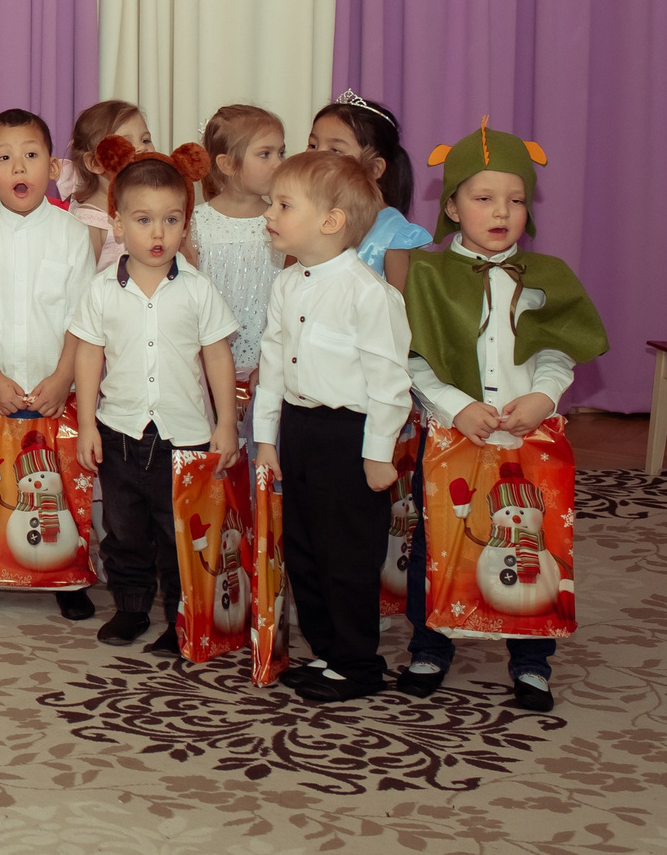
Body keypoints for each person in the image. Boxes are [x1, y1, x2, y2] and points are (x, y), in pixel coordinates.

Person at [396, 123, 607, 713]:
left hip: (526, 437)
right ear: (454, 205)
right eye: (484, 198)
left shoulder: (547, 277)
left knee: (532, 545)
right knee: (438, 541)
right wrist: (456, 406)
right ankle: (429, 645)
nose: (501, 212)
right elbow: (413, 358)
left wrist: (543, 397)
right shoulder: (427, 278)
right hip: (451, 438)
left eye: (515, 200)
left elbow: (556, 351)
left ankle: (532, 659)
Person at [253, 150, 412, 704]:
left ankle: (358, 664)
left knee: (346, 554)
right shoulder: (288, 284)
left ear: (331, 221)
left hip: (349, 438)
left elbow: (390, 382)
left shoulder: (369, 294)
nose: (269, 212)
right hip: (299, 430)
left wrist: (377, 453)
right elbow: (273, 363)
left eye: (283, 204)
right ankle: (327, 653)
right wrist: (268, 439)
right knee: (304, 550)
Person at [69, 139, 238, 655]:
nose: (157, 233)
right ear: (118, 224)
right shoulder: (101, 289)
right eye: (143, 220)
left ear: (186, 224)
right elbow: (88, 358)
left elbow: (217, 357)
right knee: (124, 532)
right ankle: (131, 608)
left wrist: (226, 424)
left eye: (170, 220)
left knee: (175, 537)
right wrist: (88, 425)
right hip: (119, 435)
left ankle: (178, 617)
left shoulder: (198, 289)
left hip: (182, 438)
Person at [0, 109, 98, 622]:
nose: (20, 167)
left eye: (31, 155)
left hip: (58, 385)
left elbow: (84, 318)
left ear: (52, 168)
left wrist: (63, 378)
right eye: (5, 158)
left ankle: (68, 574)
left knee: (63, 484)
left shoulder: (73, 235)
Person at [192, 104, 288, 396]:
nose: (279, 163)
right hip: (208, 365)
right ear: (228, 164)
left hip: (269, 362)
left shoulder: (285, 220)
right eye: (265, 154)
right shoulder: (195, 222)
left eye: (281, 152)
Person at [308, 92, 432, 272]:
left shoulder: (393, 234)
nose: (316, 157)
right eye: (312, 145)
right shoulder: (310, 217)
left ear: (374, 168)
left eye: (335, 150)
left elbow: (401, 299)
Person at [63, 100, 153, 271]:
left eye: (146, 140)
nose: (141, 147)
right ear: (94, 163)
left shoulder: (151, 205)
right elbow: (82, 283)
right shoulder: (90, 220)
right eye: (125, 144)